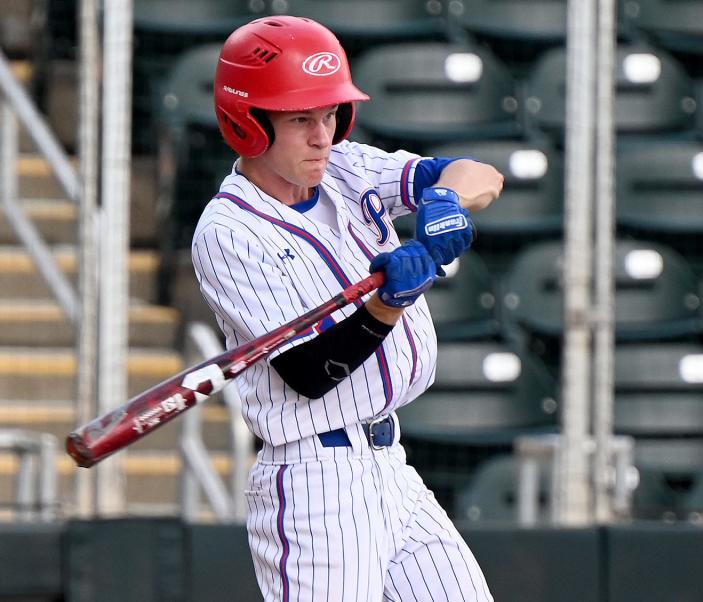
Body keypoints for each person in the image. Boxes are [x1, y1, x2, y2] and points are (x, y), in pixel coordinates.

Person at [191, 16, 502, 601]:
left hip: (392, 469)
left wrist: (445, 198)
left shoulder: (346, 168)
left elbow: (482, 174)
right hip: (314, 485)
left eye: (330, 114)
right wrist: (390, 302)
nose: (322, 136)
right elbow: (309, 374)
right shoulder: (228, 229)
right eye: (300, 119)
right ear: (249, 124)